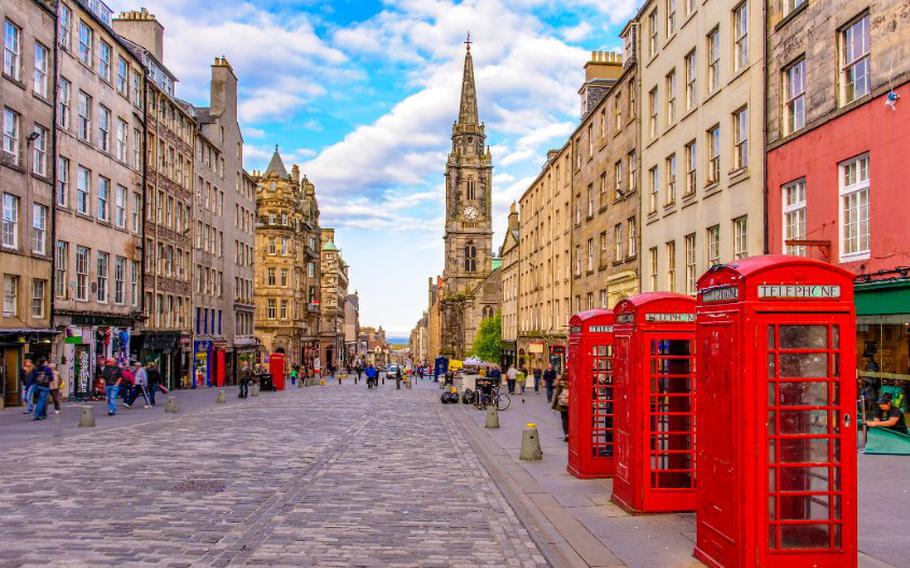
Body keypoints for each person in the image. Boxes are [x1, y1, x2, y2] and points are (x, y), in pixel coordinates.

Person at [551, 372, 570, 441]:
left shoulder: (560, 385)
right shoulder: (574, 384)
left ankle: (566, 434)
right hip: (571, 406)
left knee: (564, 419)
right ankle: (571, 433)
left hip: (562, 405)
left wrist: (554, 405)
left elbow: (556, 395)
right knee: (570, 420)